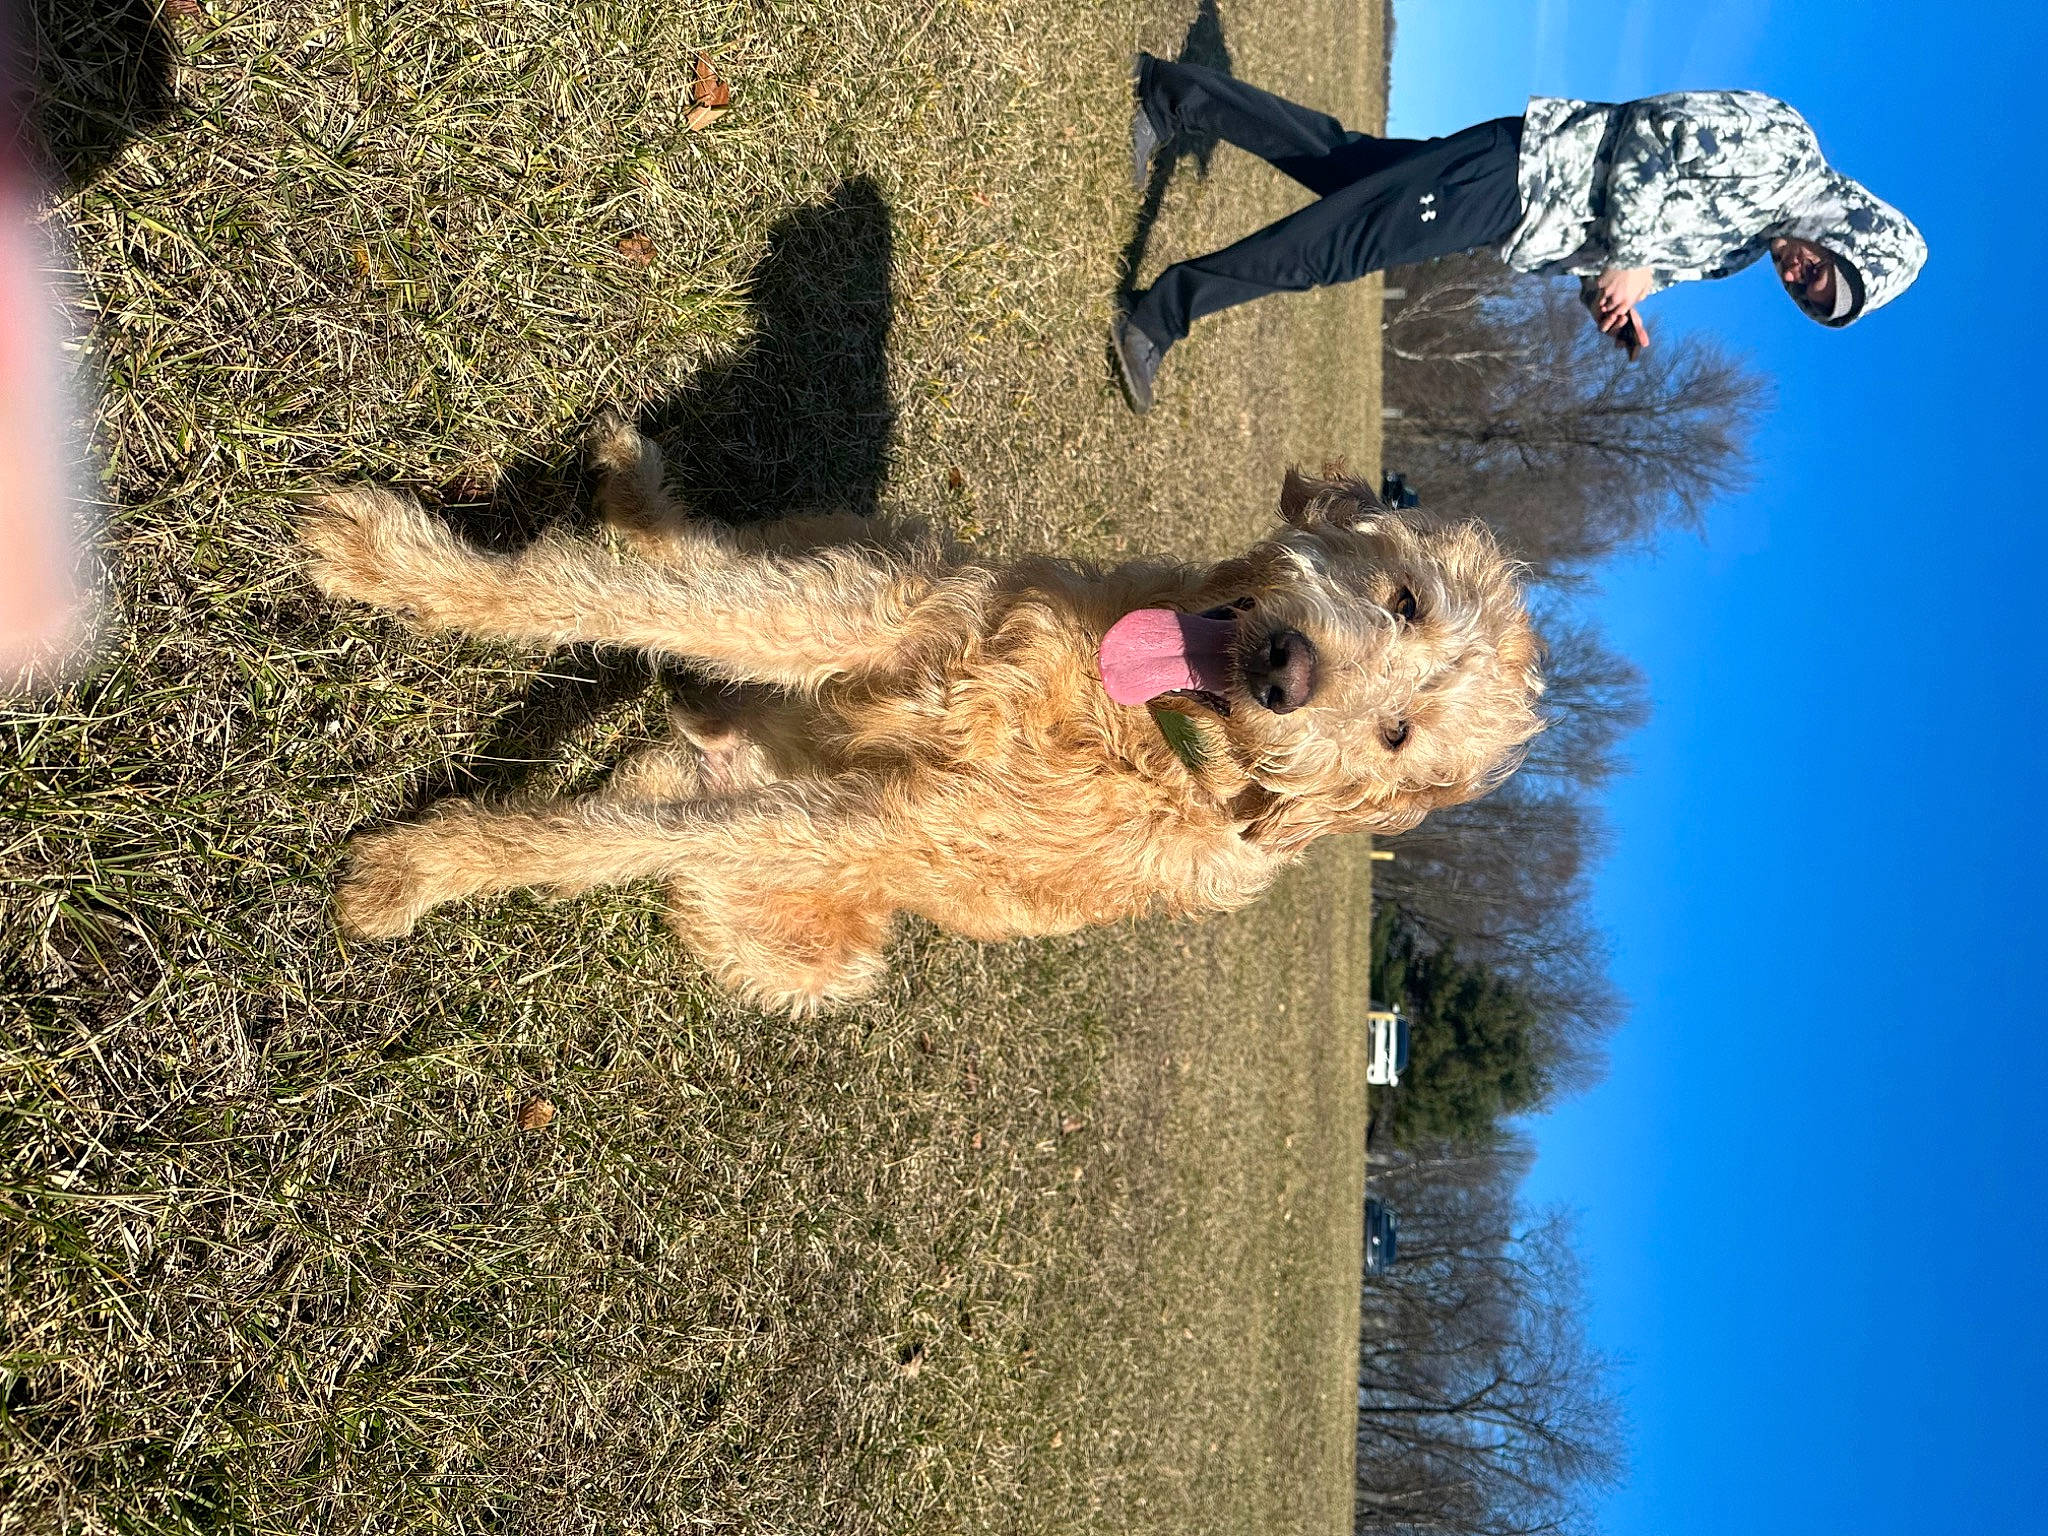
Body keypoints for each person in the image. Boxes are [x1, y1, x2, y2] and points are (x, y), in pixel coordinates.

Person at [1111, 55, 1927, 414]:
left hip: (1527, 217)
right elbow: (1648, 133)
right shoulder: (1786, 146)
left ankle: (1175, 93)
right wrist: (1636, 259)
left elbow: (1621, 256)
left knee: (1345, 168)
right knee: (1342, 243)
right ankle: (1160, 315)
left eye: (1806, 298)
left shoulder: (1741, 250)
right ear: (1850, 232)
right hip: (1525, 171)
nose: (1797, 279)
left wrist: (1606, 297)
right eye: (1820, 275)